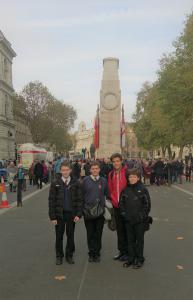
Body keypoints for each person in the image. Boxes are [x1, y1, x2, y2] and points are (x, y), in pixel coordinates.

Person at [48, 162, 83, 265]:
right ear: (60, 171)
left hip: (71, 214)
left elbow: (80, 199)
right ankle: (59, 256)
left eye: (67, 170)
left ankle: (69, 255)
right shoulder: (55, 183)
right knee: (59, 236)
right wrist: (52, 216)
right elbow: (51, 200)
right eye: (63, 170)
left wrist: (78, 214)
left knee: (70, 236)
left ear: (70, 170)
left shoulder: (76, 182)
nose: (65, 172)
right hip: (59, 214)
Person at [119, 168, 151, 269]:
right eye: (130, 177)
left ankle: (139, 259)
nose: (132, 178)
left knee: (139, 241)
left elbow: (147, 205)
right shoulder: (125, 189)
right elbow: (121, 204)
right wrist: (124, 214)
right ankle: (131, 259)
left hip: (140, 221)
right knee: (130, 240)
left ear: (138, 178)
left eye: (134, 177)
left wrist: (141, 216)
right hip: (128, 220)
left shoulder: (143, 189)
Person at [82, 161, 108, 263]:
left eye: (96, 168)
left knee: (98, 233)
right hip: (88, 211)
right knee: (90, 233)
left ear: (99, 169)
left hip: (100, 211)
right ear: (90, 170)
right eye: (93, 169)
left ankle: (97, 253)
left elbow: (107, 194)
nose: (95, 170)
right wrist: (83, 209)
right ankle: (91, 253)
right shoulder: (85, 180)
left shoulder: (104, 181)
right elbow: (81, 195)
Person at [108, 153, 128, 261]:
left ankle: (129, 252)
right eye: (114, 161)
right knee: (119, 230)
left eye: (117, 161)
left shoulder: (127, 172)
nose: (116, 163)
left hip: (127, 206)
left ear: (121, 161)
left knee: (127, 230)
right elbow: (111, 189)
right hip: (116, 206)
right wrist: (113, 199)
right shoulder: (111, 174)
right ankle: (122, 251)